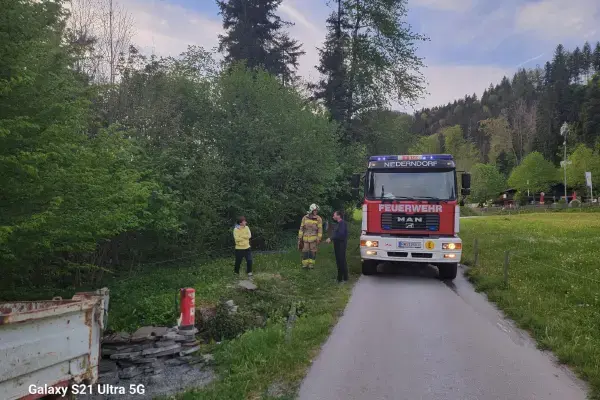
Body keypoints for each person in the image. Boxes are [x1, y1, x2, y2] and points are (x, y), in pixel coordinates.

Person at [298, 204, 323, 269]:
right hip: (305, 238)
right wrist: (300, 238)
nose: (316, 212)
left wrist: (319, 238)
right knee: (305, 251)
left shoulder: (319, 218)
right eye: (315, 210)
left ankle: (311, 265)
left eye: (316, 210)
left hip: (314, 239)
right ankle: (305, 265)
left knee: (313, 251)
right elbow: (301, 228)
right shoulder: (304, 218)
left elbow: (320, 229)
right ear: (311, 210)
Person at [326, 210, 349, 283]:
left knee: (341, 261)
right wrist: (331, 238)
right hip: (337, 245)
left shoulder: (342, 223)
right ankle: (342, 278)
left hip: (341, 245)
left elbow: (341, 235)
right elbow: (336, 234)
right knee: (339, 261)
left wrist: (331, 238)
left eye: (334, 215)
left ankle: (342, 279)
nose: (333, 216)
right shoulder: (338, 224)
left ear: (338, 216)